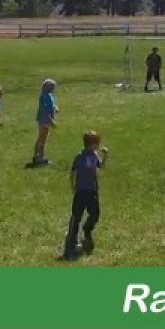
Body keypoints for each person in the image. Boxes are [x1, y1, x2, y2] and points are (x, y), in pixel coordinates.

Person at [63, 131, 109, 259]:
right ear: (91, 144)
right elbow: (73, 172)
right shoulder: (80, 156)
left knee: (95, 213)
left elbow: (100, 166)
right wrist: (73, 186)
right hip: (81, 191)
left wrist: (105, 156)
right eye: (97, 143)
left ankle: (87, 228)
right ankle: (71, 239)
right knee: (76, 216)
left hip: (92, 191)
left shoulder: (94, 155)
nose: (98, 145)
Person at [30, 78, 59, 166]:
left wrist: (55, 107)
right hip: (44, 120)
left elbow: (51, 104)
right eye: (52, 87)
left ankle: (41, 156)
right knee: (41, 138)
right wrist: (51, 121)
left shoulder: (49, 95)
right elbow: (45, 110)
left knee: (44, 138)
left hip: (46, 120)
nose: (53, 89)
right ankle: (37, 156)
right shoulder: (44, 96)